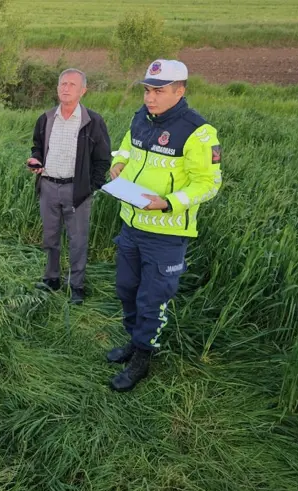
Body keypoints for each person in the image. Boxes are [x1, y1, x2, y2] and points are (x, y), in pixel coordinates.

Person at [106, 59, 222, 392]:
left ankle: (143, 358)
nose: (149, 98)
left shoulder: (198, 132)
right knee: (126, 289)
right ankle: (133, 341)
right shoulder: (141, 118)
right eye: (147, 90)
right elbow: (127, 146)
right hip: (131, 224)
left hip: (166, 235)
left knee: (151, 299)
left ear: (180, 91)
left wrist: (168, 202)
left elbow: (209, 184)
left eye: (158, 92)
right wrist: (119, 162)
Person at [26, 68, 111, 305]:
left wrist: (91, 187)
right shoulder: (46, 118)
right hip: (48, 186)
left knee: (78, 240)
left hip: (77, 191)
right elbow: (37, 146)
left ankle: (77, 286)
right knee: (50, 237)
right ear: (57, 88)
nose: (66, 88)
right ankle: (51, 278)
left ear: (83, 91)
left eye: (72, 85)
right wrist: (36, 160)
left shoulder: (92, 121)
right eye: (63, 84)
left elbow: (103, 158)